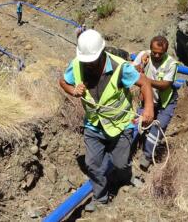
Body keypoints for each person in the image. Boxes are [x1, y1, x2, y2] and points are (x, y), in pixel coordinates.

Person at [59, 30, 154, 212]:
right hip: (93, 125)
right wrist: (73, 91)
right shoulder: (77, 64)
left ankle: (125, 177)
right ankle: (101, 198)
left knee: (120, 163)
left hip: (120, 124)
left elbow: (145, 83)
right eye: (86, 61)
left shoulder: (120, 67)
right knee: (92, 164)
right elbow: (63, 81)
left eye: (92, 61)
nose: (88, 65)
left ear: (102, 53)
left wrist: (148, 107)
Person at [131, 36, 179, 171]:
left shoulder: (171, 64)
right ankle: (127, 150)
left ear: (166, 51)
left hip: (166, 102)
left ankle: (146, 156)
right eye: (154, 52)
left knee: (157, 129)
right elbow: (131, 70)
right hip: (148, 99)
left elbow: (165, 85)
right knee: (137, 123)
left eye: (160, 53)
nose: (156, 55)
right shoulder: (143, 55)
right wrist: (140, 65)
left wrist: (144, 80)